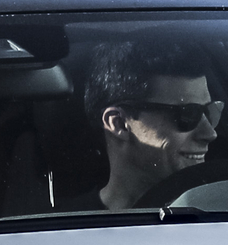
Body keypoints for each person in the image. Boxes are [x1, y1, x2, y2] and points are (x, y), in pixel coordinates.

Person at [80, 40, 220, 209]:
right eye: (188, 114)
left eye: (210, 111)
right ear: (119, 123)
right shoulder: (63, 231)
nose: (210, 133)